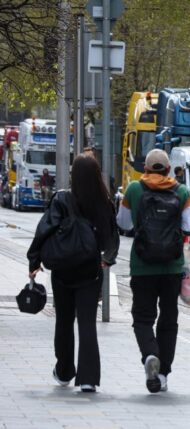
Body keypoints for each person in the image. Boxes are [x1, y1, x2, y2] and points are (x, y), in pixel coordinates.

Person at [27, 155, 119, 393]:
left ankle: (65, 370)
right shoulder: (104, 202)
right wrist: (106, 260)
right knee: (87, 323)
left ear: (73, 175)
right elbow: (111, 236)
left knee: (64, 321)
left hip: (62, 271)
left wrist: (34, 260)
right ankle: (88, 379)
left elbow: (44, 229)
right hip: (90, 271)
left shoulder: (61, 199)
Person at [116, 149, 190, 393]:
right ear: (169, 170)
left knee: (142, 319)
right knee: (168, 319)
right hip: (172, 267)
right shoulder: (182, 192)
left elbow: (123, 223)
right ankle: (162, 375)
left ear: (146, 169)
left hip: (142, 267)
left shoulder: (133, 189)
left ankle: (151, 354)